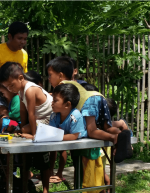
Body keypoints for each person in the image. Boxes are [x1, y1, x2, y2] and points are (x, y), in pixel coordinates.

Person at [47, 56, 132, 191]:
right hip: (97, 96)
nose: (49, 79)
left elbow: (53, 98)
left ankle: (114, 138)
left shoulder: (62, 86)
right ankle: (121, 133)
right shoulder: (75, 82)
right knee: (105, 127)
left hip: (89, 101)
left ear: (60, 75)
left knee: (92, 131)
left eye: (50, 75)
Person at [0, 62, 52, 193]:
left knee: (27, 134)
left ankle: (45, 189)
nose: (10, 89)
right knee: (22, 131)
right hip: (39, 120)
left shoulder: (30, 89)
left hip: (50, 120)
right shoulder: (20, 92)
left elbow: (31, 114)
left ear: (21, 78)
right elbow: (23, 112)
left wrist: (33, 135)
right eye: (7, 87)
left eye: (11, 85)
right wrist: (22, 128)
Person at [48, 84, 88, 183]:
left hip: (82, 147)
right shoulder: (54, 116)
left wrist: (55, 137)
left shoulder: (75, 115)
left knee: (81, 168)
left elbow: (74, 136)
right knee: (53, 149)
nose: (52, 103)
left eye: (55, 101)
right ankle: (50, 172)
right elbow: (51, 132)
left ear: (67, 104)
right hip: (64, 140)